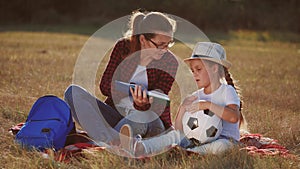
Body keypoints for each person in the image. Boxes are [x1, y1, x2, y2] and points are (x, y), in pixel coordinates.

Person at [64, 10, 178, 144]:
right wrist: (130, 90)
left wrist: (141, 104)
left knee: (141, 117)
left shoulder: (170, 62)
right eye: (160, 45)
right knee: (73, 92)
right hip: (116, 114)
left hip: (148, 120)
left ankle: (104, 141)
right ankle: (114, 141)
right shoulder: (123, 47)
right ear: (143, 39)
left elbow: (160, 102)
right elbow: (105, 86)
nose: (165, 50)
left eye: (168, 44)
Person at [119, 42, 245, 157]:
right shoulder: (196, 95)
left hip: (225, 140)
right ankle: (139, 147)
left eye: (199, 69)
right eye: (192, 70)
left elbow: (234, 117)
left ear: (214, 68)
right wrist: (182, 109)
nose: (194, 74)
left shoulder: (227, 91)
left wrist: (207, 105)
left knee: (221, 146)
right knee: (175, 136)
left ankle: (188, 153)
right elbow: (179, 129)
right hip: (197, 140)